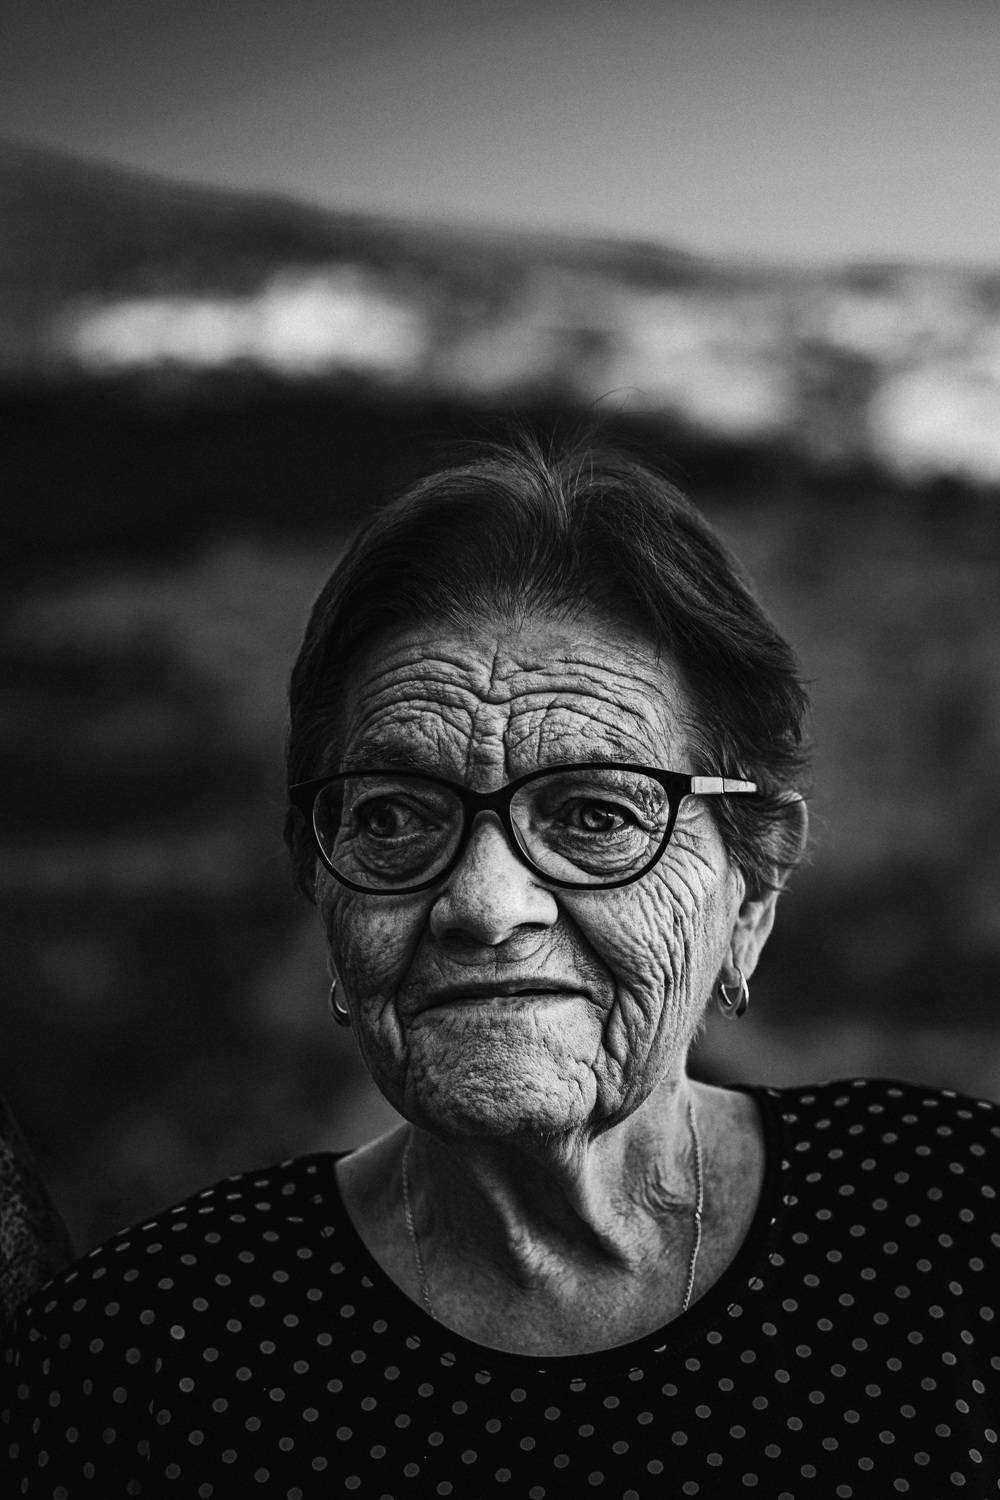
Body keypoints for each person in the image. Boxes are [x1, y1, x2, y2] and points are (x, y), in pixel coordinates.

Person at [2, 437, 997, 1498]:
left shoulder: (958, 1222)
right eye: (394, 816)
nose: (483, 904)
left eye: (596, 815)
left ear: (750, 891)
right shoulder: (145, 1357)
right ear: (320, 882)